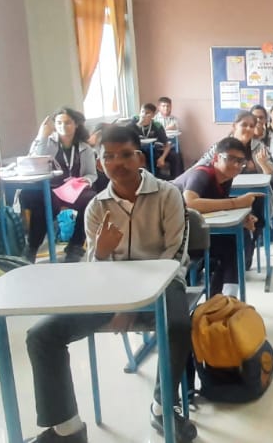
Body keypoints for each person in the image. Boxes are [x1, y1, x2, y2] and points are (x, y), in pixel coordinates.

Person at [24, 125, 196, 443]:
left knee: (178, 326)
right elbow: (96, 270)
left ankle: (162, 408)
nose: (118, 163)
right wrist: (101, 253)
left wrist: (135, 302)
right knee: (42, 335)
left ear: (140, 158)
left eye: (126, 155)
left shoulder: (168, 195)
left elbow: (175, 255)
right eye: (109, 156)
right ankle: (66, 428)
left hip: (163, 284)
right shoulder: (97, 207)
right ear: (100, 163)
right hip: (111, 291)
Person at [175, 137, 262, 297]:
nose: (236, 165)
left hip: (192, 232)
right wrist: (236, 203)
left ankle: (222, 298)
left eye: (240, 161)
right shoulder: (202, 174)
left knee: (235, 241)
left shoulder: (225, 179)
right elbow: (190, 203)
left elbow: (215, 207)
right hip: (175, 239)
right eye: (230, 159)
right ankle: (223, 298)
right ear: (216, 158)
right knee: (230, 245)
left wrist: (242, 218)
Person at [23, 107, 98, 262]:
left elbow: (92, 174)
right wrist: (42, 136)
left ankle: (76, 245)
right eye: (59, 123)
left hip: (74, 190)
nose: (63, 126)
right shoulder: (47, 142)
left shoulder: (84, 148)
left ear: (76, 124)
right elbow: (35, 161)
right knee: (44, 205)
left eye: (67, 123)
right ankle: (32, 248)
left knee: (92, 199)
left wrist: (85, 181)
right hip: (51, 188)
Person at [131, 103, 173, 178]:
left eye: (147, 113)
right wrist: (139, 124)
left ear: (153, 115)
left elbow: (167, 145)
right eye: (142, 112)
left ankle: (155, 177)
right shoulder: (134, 121)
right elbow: (126, 135)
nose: (143, 115)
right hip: (135, 150)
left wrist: (162, 158)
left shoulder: (157, 125)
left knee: (158, 156)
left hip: (151, 150)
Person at [156, 96, 183, 173]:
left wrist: (163, 129)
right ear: (159, 107)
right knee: (152, 157)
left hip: (171, 148)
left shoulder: (174, 119)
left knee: (177, 156)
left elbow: (175, 130)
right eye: (163, 106)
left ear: (171, 107)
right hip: (158, 148)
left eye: (168, 106)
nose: (166, 108)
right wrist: (166, 129)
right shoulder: (154, 120)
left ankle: (177, 178)